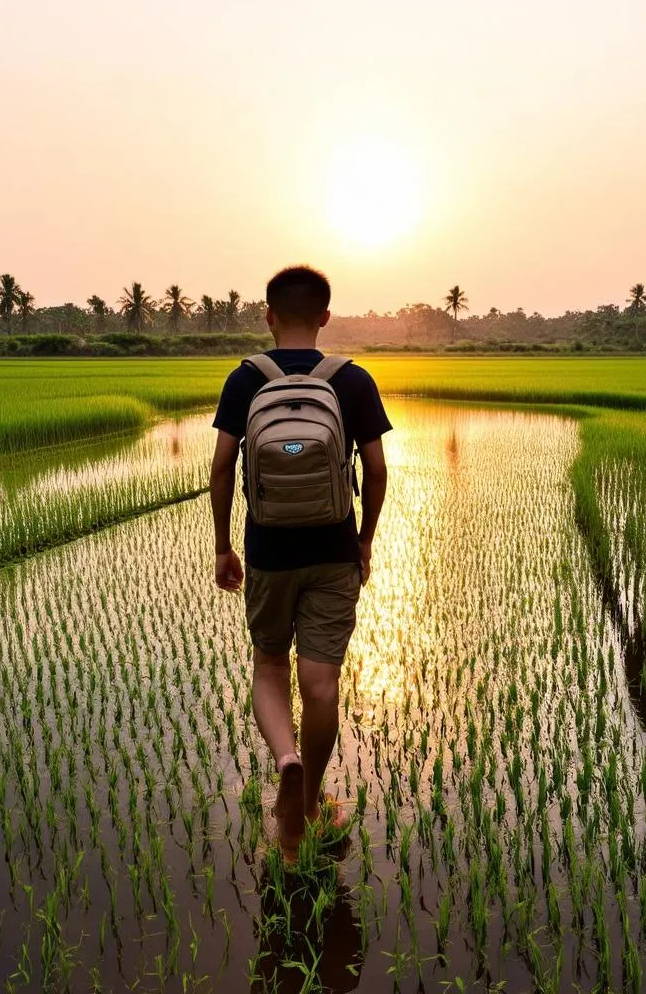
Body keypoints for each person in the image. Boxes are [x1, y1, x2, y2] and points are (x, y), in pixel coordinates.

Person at [210, 265, 390, 853]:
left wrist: (223, 546)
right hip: (332, 549)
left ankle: (285, 759)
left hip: (269, 548)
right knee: (320, 681)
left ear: (268, 315)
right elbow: (377, 469)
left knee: (268, 665)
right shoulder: (351, 379)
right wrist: (363, 541)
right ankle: (310, 803)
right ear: (324, 317)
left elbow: (220, 470)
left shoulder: (245, 379)